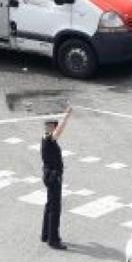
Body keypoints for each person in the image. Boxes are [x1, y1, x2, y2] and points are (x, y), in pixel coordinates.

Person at [41, 104, 74, 251]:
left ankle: (45, 234)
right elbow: (59, 131)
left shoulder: (45, 137)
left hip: (48, 174)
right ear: (53, 128)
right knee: (55, 208)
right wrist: (66, 117)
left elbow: (56, 132)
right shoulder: (50, 139)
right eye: (55, 127)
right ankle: (53, 239)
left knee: (49, 205)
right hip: (54, 177)